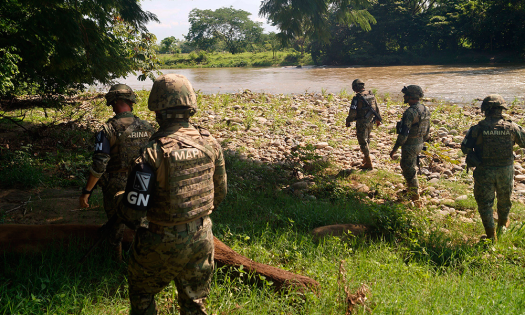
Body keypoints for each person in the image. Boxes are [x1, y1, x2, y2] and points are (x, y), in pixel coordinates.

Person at [116, 74, 227, 315]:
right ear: (191, 107)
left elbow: (133, 213)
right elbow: (219, 194)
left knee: (142, 292)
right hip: (202, 235)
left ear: (156, 109)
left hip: (161, 238)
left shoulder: (151, 153)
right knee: (194, 302)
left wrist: (119, 200)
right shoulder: (211, 144)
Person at [79, 84, 155, 257]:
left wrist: (86, 191)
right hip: (143, 180)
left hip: (116, 183)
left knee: (116, 224)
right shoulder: (148, 127)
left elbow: (99, 165)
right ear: (131, 101)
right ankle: (145, 259)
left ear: (115, 102)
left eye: (112, 103)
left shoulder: (108, 130)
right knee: (143, 221)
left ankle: (115, 261)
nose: (112, 107)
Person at [461, 94, 525, 242]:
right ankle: (503, 224)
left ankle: (491, 236)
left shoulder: (477, 129)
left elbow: (465, 148)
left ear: (485, 109)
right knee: (504, 199)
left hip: (484, 170)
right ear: (502, 109)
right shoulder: (512, 127)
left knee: (485, 203)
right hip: (506, 170)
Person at [389, 85, 431, 201]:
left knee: (408, 168)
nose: (404, 97)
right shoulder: (425, 109)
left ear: (411, 96)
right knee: (410, 166)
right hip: (420, 143)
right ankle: (411, 190)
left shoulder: (410, 112)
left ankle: (414, 195)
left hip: (410, 144)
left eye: (406, 95)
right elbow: (427, 131)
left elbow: (404, 134)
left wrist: (395, 148)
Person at [346, 79, 382, 169]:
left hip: (362, 122)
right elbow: (376, 107)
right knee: (367, 140)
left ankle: (368, 163)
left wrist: (348, 120)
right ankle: (366, 159)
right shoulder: (370, 94)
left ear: (355, 87)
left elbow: (352, 112)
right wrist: (378, 119)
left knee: (362, 142)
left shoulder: (357, 98)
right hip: (371, 121)